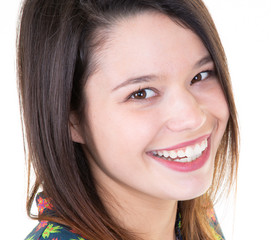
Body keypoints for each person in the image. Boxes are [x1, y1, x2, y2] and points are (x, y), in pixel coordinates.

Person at [18, 0, 239, 239]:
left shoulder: (191, 215)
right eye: (141, 93)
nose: (192, 118)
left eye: (200, 76)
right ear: (71, 118)